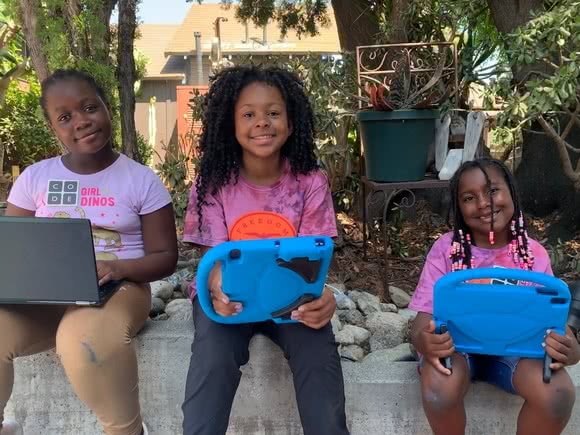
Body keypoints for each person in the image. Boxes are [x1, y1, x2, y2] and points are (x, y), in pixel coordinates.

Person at [1, 69, 178, 435]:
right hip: (44, 296)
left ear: (107, 108)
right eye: (65, 117)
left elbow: (165, 256)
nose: (81, 122)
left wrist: (118, 268)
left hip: (117, 288)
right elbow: (12, 247)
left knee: (83, 339)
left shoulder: (141, 180)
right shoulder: (35, 178)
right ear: (54, 128)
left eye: (89, 107)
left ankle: (126, 430)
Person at [181, 65, 350, 435]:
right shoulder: (212, 183)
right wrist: (216, 290)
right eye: (249, 114)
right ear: (231, 124)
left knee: (318, 358)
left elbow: (314, 259)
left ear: (291, 124)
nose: (262, 122)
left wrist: (323, 300)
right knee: (212, 359)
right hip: (227, 296)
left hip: (290, 299)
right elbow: (212, 260)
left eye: (273, 113)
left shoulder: (310, 182)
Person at [409, 158, 579, 435]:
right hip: (458, 351)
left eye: (492, 190)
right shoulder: (445, 250)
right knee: (440, 389)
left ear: (511, 192)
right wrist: (425, 342)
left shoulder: (533, 254)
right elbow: (421, 323)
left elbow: (553, 323)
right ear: (459, 208)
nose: (483, 203)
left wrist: (569, 349)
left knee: (557, 395)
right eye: (468, 197)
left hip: (518, 356)